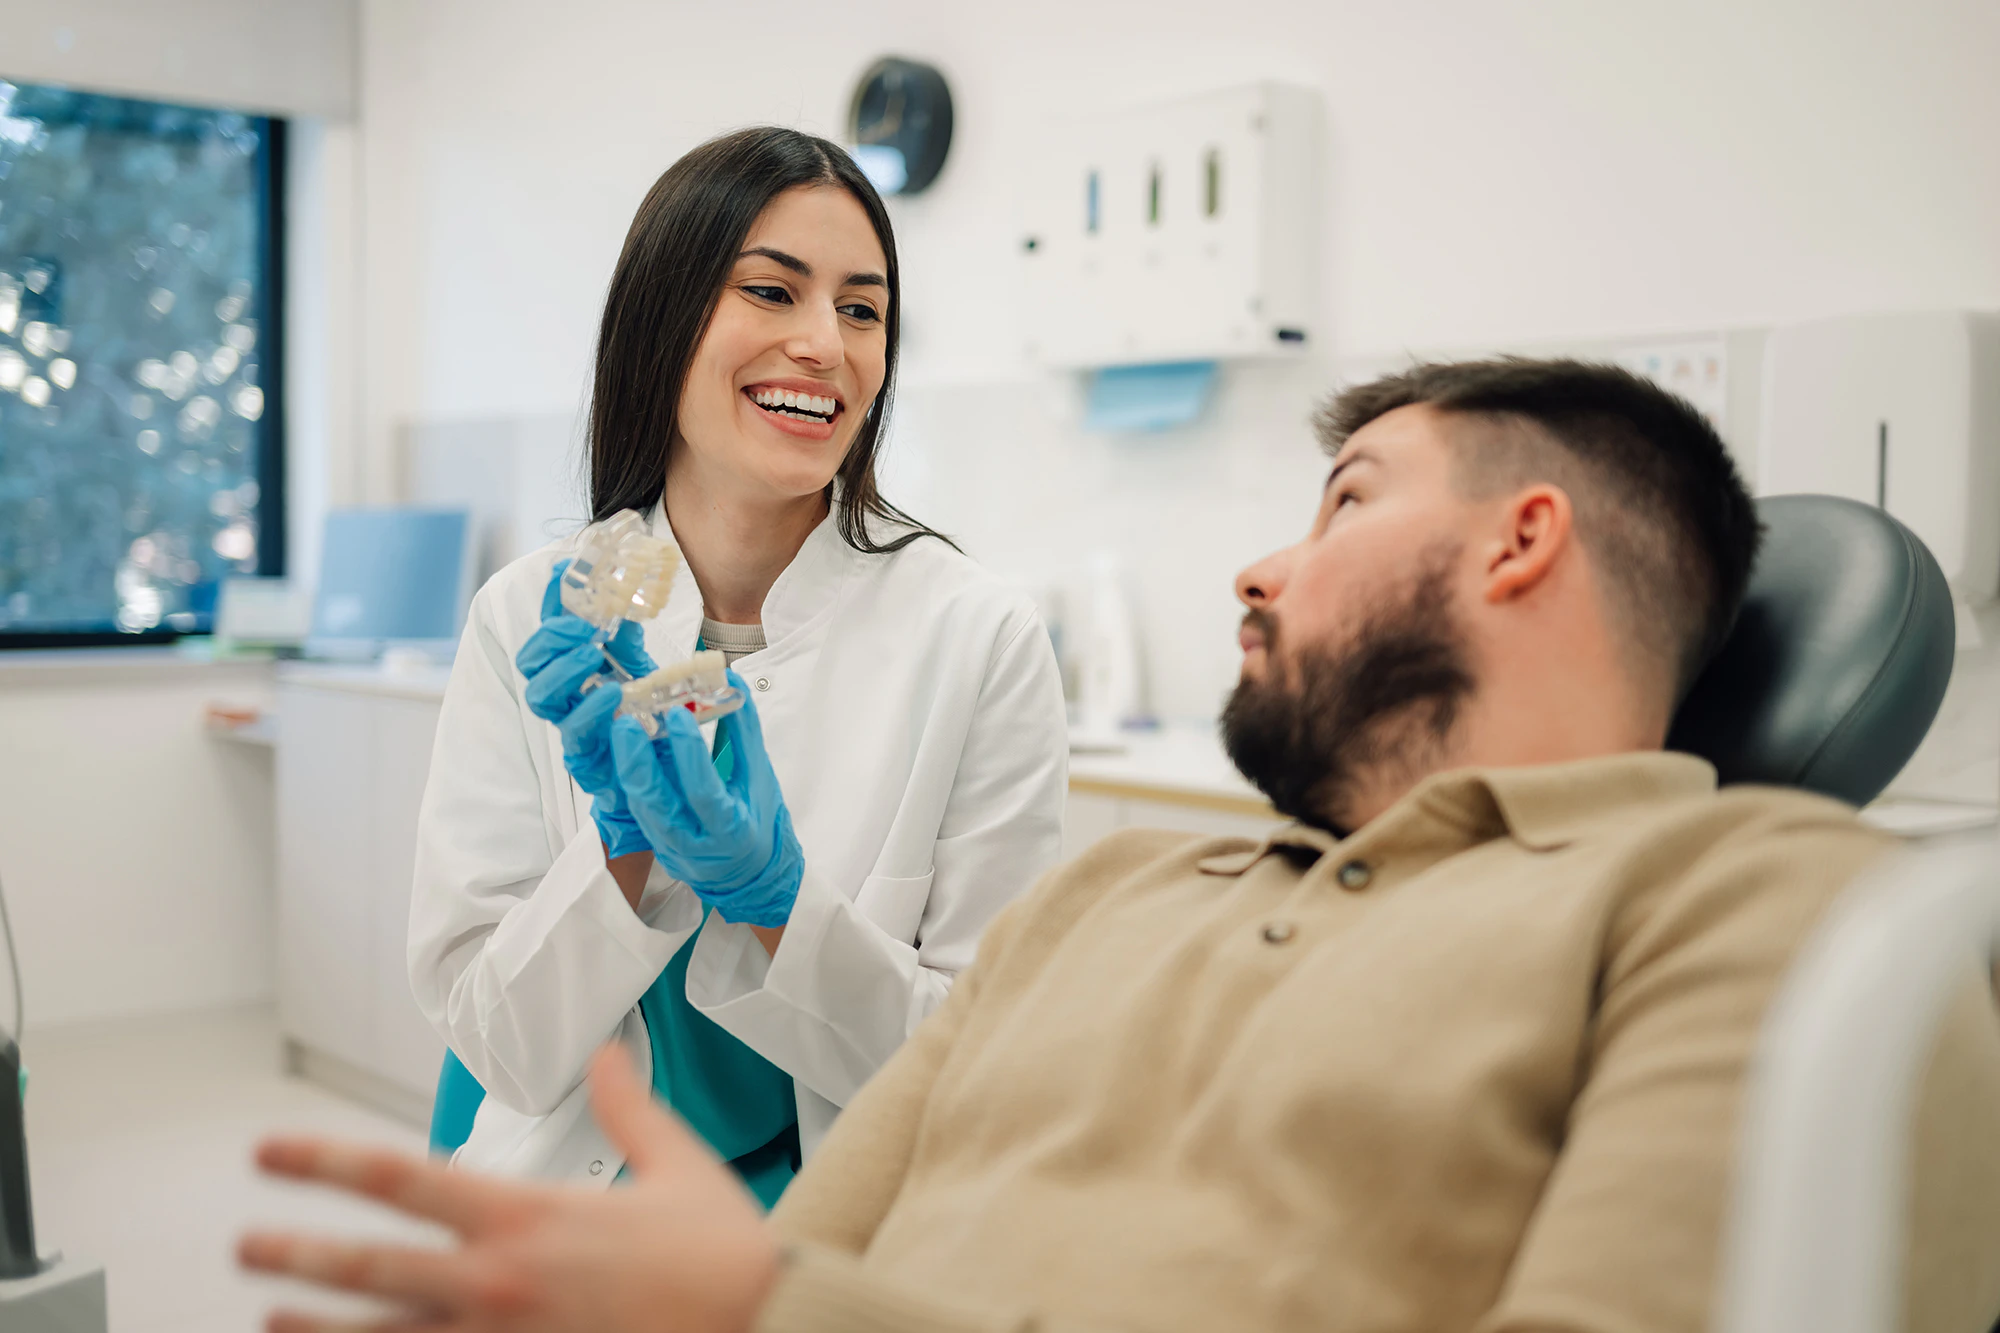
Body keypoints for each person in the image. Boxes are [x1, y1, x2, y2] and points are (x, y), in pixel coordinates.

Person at [246, 358, 2000, 1333]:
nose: (1255, 565)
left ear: (1526, 538)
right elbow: (816, 1254)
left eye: (1347, 500)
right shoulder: (1122, 892)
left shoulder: (1772, 916)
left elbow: (792, 1299)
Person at [406, 126, 1069, 1204]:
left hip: (829, 1217)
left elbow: (977, 1069)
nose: (826, 344)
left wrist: (771, 899)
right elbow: (500, 1046)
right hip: (571, 1202)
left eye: (862, 310)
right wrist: (622, 853)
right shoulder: (530, 616)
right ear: (660, 320)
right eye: (771, 291)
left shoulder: (975, 635)